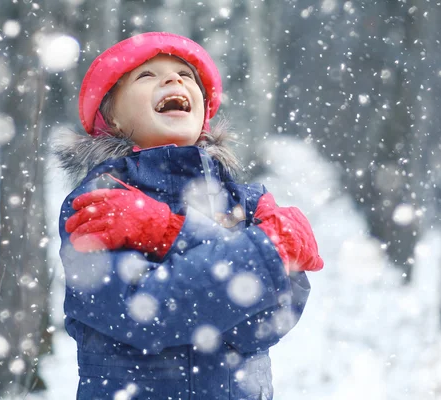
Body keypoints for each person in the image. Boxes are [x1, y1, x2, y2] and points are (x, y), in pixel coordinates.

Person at [54, 31, 324, 400]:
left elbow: (267, 323)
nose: (173, 79)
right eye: (146, 75)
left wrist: (167, 233)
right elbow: (148, 313)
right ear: (111, 116)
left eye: (186, 75)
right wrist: (267, 250)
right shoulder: (100, 201)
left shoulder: (248, 201)